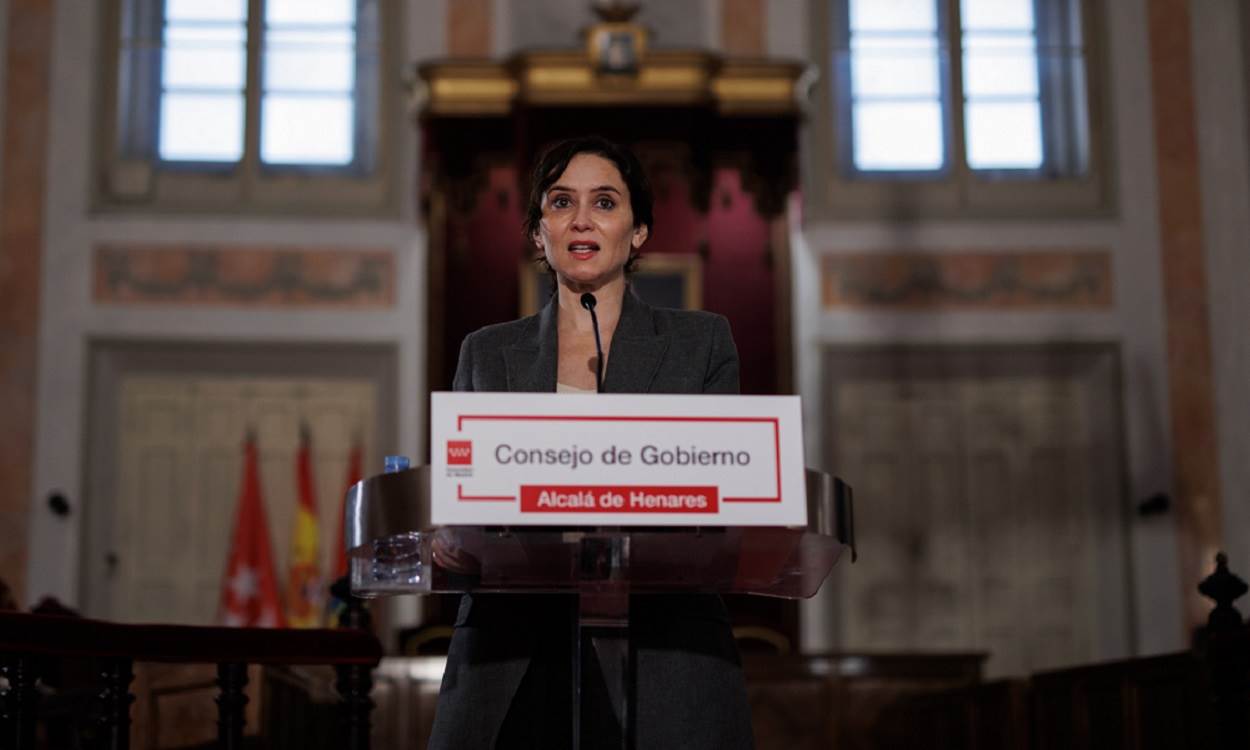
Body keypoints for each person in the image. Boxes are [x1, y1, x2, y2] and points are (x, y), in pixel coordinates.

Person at [427, 136, 754, 749]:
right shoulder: (487, 353)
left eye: (605, 202)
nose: (581, 219)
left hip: (664, 654)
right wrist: (451, 530)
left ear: (638, 233)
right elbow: (462, 499)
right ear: (537, 234)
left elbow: (723, 504)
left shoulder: (702, 344)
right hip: (514, 656)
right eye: (560, 202)